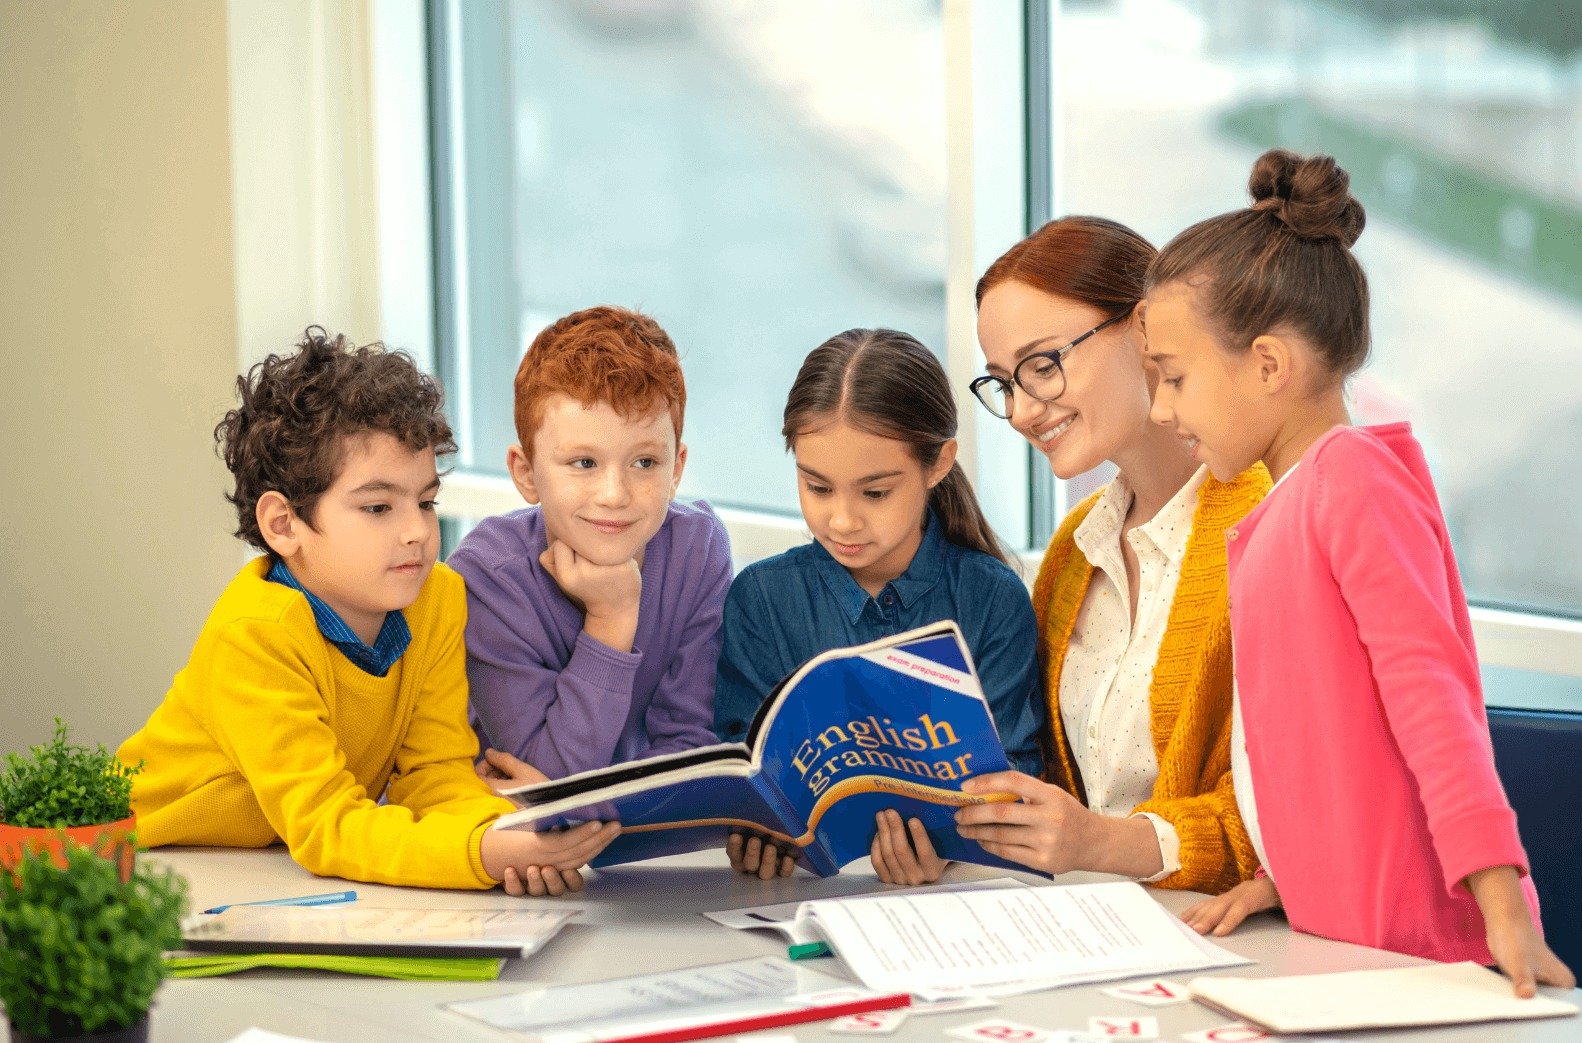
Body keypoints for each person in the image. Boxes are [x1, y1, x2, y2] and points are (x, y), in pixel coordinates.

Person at [1143, 148, 1574, 996]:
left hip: (1423, 957)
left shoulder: (1351, 482)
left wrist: (1503, 905)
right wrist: (1284, 879)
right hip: (1343, 945)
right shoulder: (1293, 499)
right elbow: (1335, 754)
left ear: (1269, 366)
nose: (1161, 408)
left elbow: (1432, 702)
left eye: (1174, 377)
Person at [120, 328, 616, 895]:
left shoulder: (435, 600)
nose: (416, 532)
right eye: (378, 507)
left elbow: (434, 774)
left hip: (262, 866)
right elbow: (327, 826)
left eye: (426, 502)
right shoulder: (254, 638)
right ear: (284, 524)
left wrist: (506, 834)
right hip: (151, 867)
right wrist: (480, 854)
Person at [872, 218, 1268, 892]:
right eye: (1003, 382)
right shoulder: (1074, 550)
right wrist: (956, 831)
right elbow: (1053, 792)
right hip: (1087, 928)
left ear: (1144, 329)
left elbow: (1282, 819)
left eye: (1044, 364)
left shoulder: (1261, 527)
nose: (1023, 409)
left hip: (1231, 942)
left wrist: (1100, 841)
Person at [715, 328, 1042, 879]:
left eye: (874, 493)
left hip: (963, 899)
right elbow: (738, 763)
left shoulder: (991, 599)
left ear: (937, 465)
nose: (842, 521)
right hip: (792, 900)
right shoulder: (762, 599)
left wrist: (948, 849)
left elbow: (1020, 778)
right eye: (818, 488)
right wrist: (750, 831)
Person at [449, 306, 729, 784]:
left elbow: (689, 748)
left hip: (612, 845)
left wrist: (600, 809)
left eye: (644, 462)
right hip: (508, 844)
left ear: (677, 468)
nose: (614, 495)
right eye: (583, 463)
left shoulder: (696, 549)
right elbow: (549, 777)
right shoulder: (487, 577)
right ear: (525, 473)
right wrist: (612, 618)